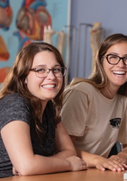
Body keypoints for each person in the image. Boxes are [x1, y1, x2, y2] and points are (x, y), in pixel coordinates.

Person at [0, 42, 86, 178]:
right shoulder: (14, 103)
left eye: (56, 69)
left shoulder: (49, 108)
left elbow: (70, 152)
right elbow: (27, 166)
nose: (51, 76)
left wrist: (37, 164)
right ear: (23, 77)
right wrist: (69, 164)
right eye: (40, 70)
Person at [61, 33, 127, 172]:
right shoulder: (81, 92)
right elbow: (63, 149)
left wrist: (123, 155)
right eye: (113, 58)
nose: (121, 65)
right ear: (101, 61)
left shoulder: (125, 101)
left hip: (96, 173)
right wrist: (100, 160)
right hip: (68, 173)